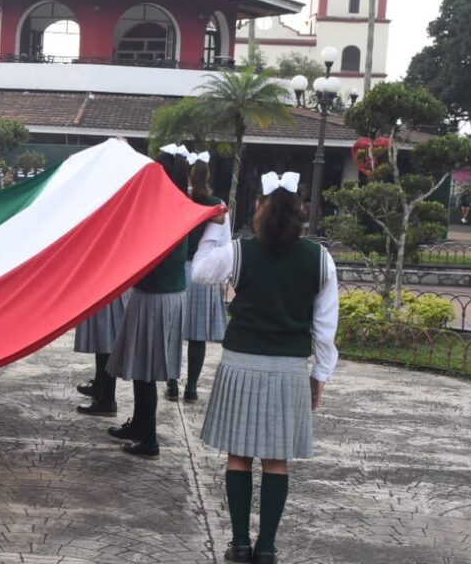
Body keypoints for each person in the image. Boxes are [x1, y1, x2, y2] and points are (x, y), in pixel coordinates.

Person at [192, 171, 339, 564]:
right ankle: (268, 548)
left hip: (241, 364)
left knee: (238, 456)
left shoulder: (239, 252)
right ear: (302, 210)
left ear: (259, 207)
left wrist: (213, 228)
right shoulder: (320, 258)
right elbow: (326, 328)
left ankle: (240, 545)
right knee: (277, 459)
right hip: (290, 368)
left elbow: (199, 271)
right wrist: (320, 374)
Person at [104, 147, 219, 459]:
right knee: (143, 367)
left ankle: (149, 438)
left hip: (157, 294)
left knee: (147, 368)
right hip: (158, 292)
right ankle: (140, 425)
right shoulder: (176, 202)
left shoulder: (167, 206)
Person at [169, 153, 229, 403]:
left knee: (173, 333)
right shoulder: (219, 205)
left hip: (179, 270)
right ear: (209, 175)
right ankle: (191, 388)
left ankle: (172, 383)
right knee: (198, 335)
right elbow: (224, 243)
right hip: (204, 272)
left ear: (189, 175)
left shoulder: (180, 199)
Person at [73, 292, 131, 416]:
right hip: (107, 286)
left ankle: (107, 399)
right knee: (101, 336)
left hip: (111, 287)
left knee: (107, 338)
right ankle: (100, 387)